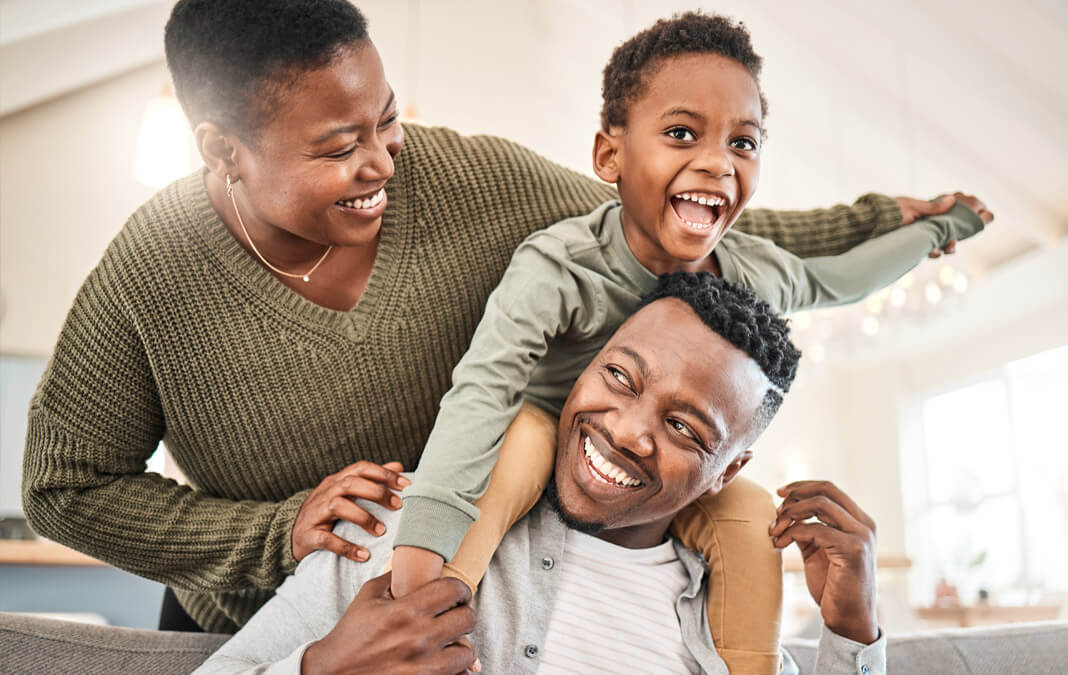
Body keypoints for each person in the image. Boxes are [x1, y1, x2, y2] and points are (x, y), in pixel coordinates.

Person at [21, 0, 973, 637]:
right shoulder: (153, 273)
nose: (383, 160)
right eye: (339, 146)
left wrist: (889, 221)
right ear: (222, 152)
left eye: (386, 120)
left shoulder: (470, 180)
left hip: (463, 601)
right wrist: (276, 533)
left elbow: (668, 215)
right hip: (256, 621)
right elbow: (64, 486)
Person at [389, 12, 989, 672]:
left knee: (753, 511)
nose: (716, 162)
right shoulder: (562, 264)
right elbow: (483, 387)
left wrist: (937, 230)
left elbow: (837, 279)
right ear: (609, 156)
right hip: (554, 430)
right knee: (520, 442)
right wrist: (416, 556)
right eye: (682, 133)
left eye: (744, 143)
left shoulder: (750, 271)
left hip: (657, 477)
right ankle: (425, 624)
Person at [195, 272, 885, 675]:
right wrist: (318, 670)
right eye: (620, 376)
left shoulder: (731, 625)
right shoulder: (411, 532)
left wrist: (853, 627)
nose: (625, 430)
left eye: (683, 427)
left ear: (727, 470)